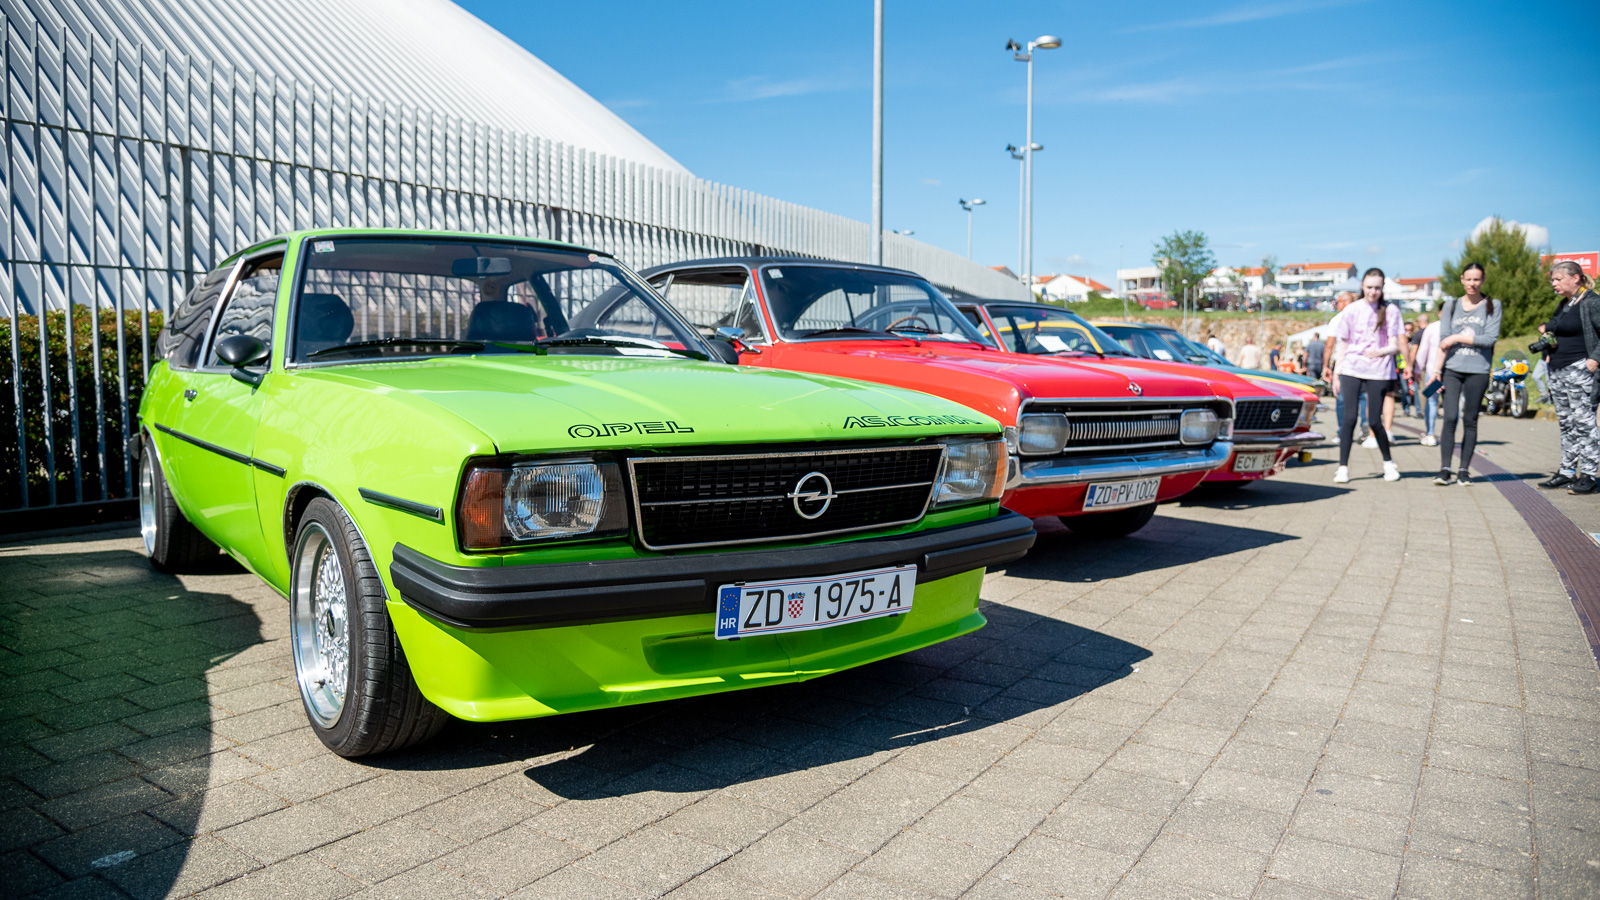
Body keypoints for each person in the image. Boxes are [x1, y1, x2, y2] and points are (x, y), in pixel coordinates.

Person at [1427, 263, 1501, 485]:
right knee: (1450, 417)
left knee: (1470, 419)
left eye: (1476, 279)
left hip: (1478, 370)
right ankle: (1444, 469)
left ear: (1483, 280)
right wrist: (1436, 371)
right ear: (1462, 279)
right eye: (1468, 279)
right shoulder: (1451, 305)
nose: (1472, 284)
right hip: (1452, 369)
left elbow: (1489, 338)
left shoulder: (1492, 305)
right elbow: (1443, 341)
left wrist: (1457, 338)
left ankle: (1464, 470)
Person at [1331, 268, 1404, 484]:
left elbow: (1396, 344)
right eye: (1369, 287)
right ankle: (1342, 467)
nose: (1373, 292)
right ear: (1362, 286)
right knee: (1349, 418)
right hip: (1352, 368)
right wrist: (1337, 372)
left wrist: (1381, 351)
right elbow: (1343, 343)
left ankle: (1389, 463)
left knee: (1374, 420)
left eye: (1377, 288)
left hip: (1378, 370)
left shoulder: (1390, 310)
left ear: (1383, 288)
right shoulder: (1352, 309)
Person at [1538, 260, 1600, 494]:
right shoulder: (1565, 304)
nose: (1554, 283)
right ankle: (1567, 472)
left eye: (1558, 279)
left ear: (1575, 278)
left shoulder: (1592, 302)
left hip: (1580, 370)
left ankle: (1589, 476)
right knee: (1566, 424)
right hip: (1558, 370)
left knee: (1584, 424)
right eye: (1552, 280)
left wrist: (1593, 361)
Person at [1323, 292, 1369, 437]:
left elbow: (1330, 345)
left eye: (1338, 302)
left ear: (1344, 302)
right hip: (1365, 363)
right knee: (1364, 397)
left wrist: (1326, 366)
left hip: (1345, 364)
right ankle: (1365, 426)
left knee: (1342, 398)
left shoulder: (1337, 319)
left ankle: (1343, 431)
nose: (1337, 305)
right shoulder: (1364, 316)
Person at [1413, 313, 1442, 446]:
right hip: (1451, 373)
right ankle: (1449, 435)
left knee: (1431, 401)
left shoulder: (1433, 327)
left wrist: (1418, 369)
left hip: (1433, 372)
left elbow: (1423, 350)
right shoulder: (1461, 327)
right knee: (1454, 403)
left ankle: (1430, 433)